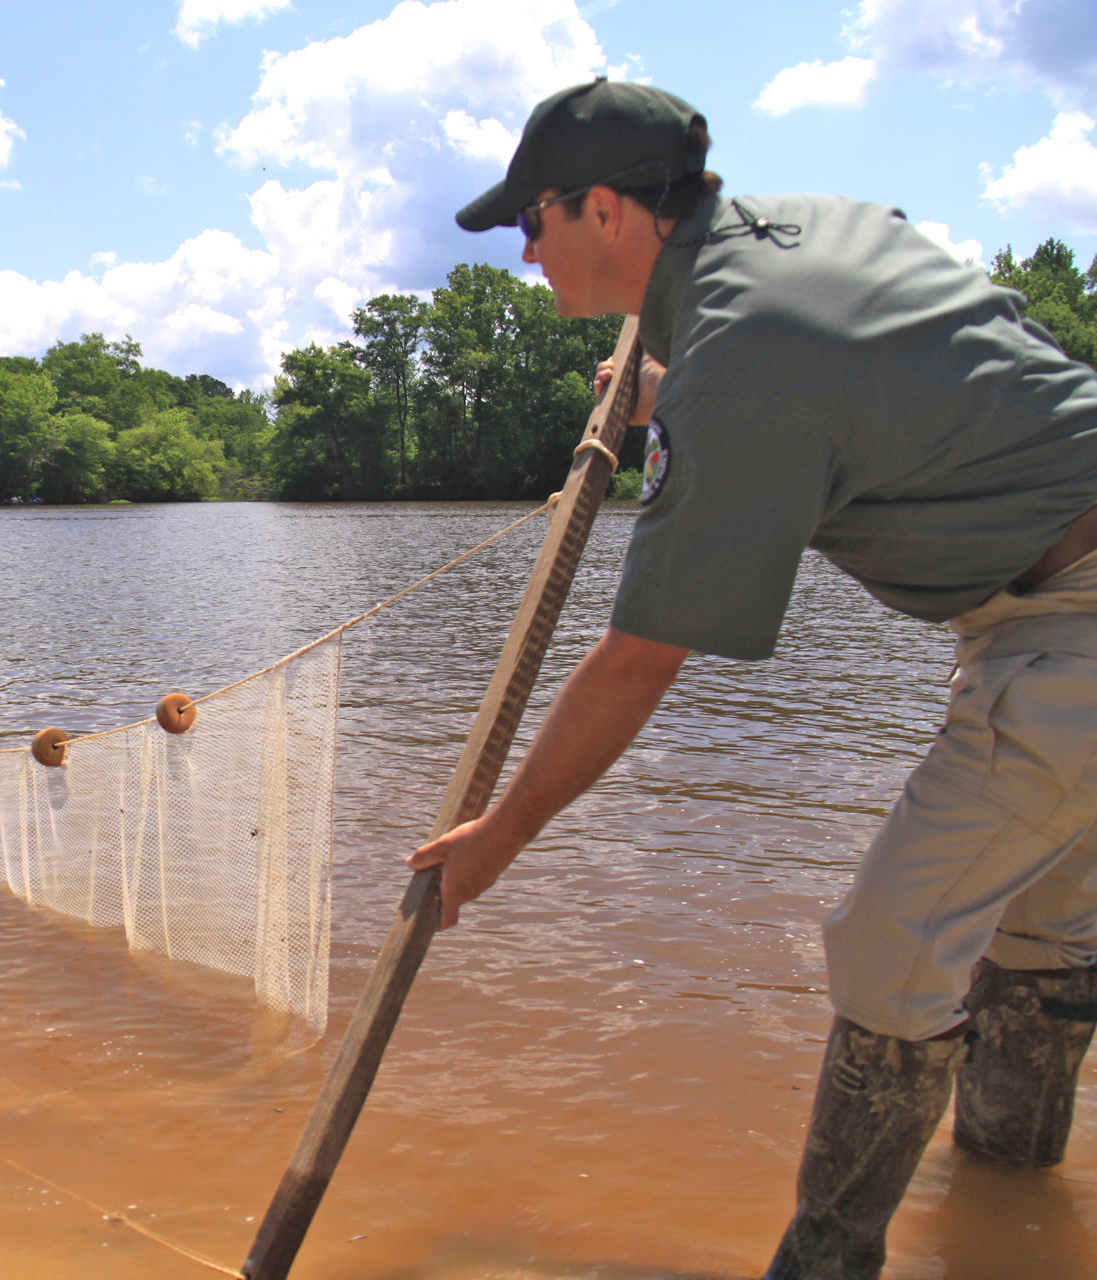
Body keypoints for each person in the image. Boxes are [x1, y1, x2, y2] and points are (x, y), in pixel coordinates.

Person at [421, 78, 1097, 1280]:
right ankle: (1014, 1225)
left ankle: (825, 1265)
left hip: (1074, 622)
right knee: (1039, 928)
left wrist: (498, 836)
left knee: (894, 947)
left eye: (533, 218)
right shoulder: (796, 236)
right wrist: (668, 390)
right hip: (1052, 593)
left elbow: (641, 658)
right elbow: (851, 377)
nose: (522, 250)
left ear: (610, 212)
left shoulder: (740, 357)